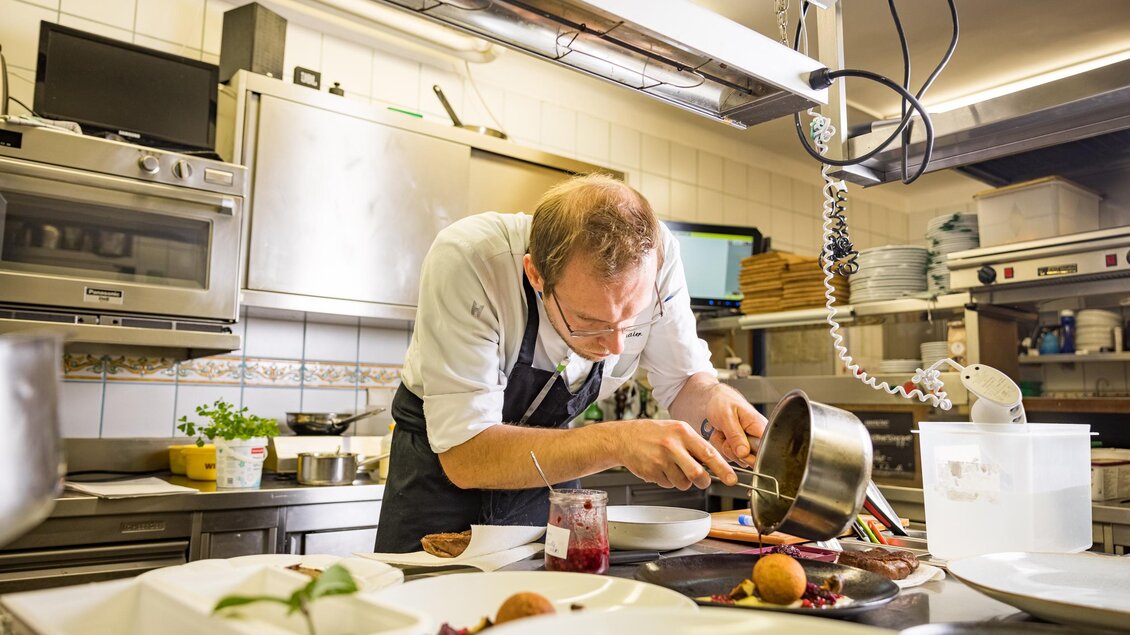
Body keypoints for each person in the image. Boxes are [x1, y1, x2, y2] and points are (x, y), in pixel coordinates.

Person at [375, 173, 765, 552]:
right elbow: (466, 455)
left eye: (631, 320)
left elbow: (684, 383)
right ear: (536, 275)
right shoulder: (471, 259)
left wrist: (715, 402)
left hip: (551, 483)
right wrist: (618, 440)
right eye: (590, 322)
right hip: (440, 482)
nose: (615, 345)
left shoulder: (657, 253)